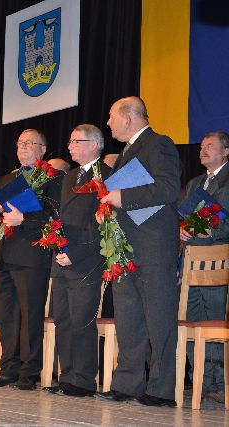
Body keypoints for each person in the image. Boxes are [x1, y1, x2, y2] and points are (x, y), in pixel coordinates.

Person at [97, 96, 181, 407]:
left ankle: (160, 390)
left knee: (159, 318)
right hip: (126, 247)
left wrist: (123, 197)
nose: (108, 123)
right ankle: (127, 382)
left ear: (129, 117)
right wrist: (107, 209)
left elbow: (168, 188)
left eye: (111, 116)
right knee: (128, 318)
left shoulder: (159, 144)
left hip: (152, 245)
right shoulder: (125, 153)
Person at [0, 129, 63, 390]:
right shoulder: (8, 178)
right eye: (20, 144)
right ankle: (8, 368)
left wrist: (23, 219)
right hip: (4, 254)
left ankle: (29, 371)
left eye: (29, 143)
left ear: (43, 149)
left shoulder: (53, 177)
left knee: (30, 315)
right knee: (6, 316)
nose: (23, 147)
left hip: (31, 255)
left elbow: (55, 215)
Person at [44, 124, 111, 397]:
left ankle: (83, 380)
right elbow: (61, 216)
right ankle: (67, 376)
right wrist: (57, 243)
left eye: (76, 141)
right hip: (62, 256)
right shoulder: (71, 176)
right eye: (70, 141)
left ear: (94, 144)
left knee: (81, 319)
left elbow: (101, 222)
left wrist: (75, 253)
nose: (69, 146)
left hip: (85, 258)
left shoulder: (106, 174)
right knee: (63, 318)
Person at [180, 130, 229, 403]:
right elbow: (180, 215)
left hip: (220, 262)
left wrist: (214, 231)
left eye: (210, 146)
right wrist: (181, 231)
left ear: (226, 151)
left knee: (215, 322)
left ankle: (219, 383)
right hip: (192, 263)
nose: (203, 150)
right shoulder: (194, 184)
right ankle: (199, 379)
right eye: (201, 146)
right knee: (193, 320)